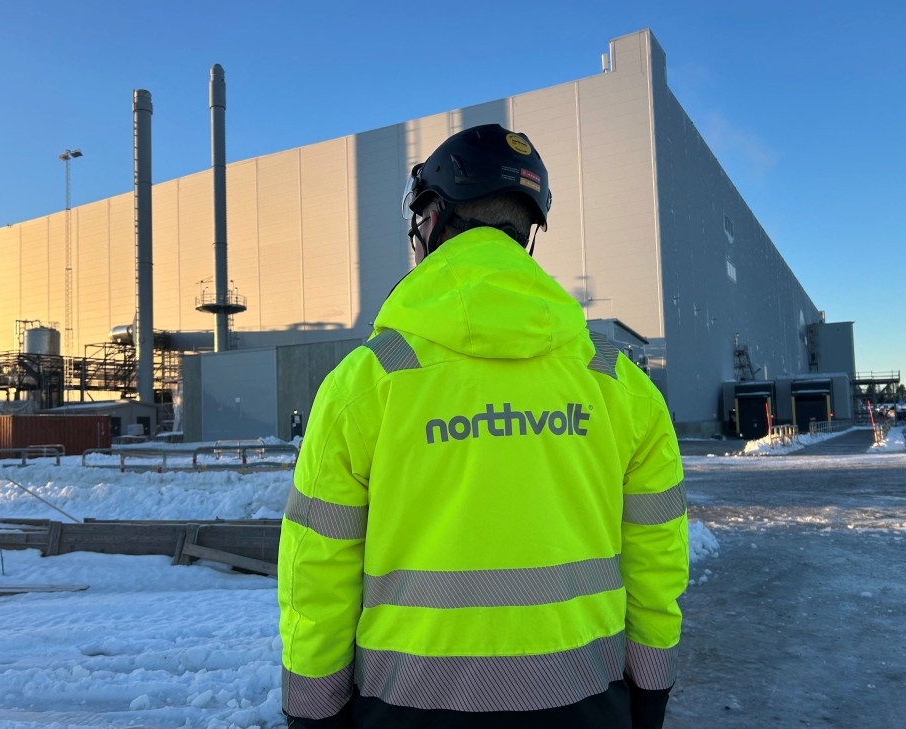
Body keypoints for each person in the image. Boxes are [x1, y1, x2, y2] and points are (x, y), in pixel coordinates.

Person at [278, 124, 689, 729]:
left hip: (405, 708)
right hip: (585, 702)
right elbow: (657, 561)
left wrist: (314, 714)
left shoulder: (365, 383)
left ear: (433, 219)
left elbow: (317, 572)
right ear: (527, 232)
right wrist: (650, 695)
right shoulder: (620, 385)